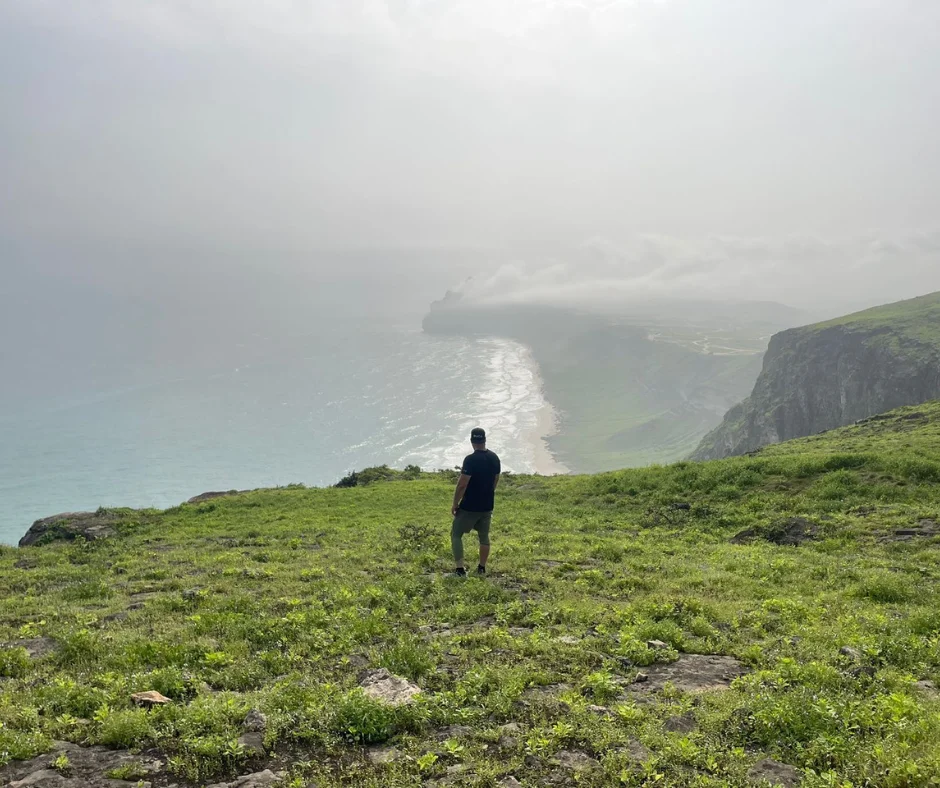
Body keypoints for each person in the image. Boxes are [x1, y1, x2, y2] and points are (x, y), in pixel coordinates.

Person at [451, 427, 501, 577]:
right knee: (484, 537)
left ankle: (460, 570)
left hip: (469, 506)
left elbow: (462, 484)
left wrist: (455, 503)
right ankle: (481, 568)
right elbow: (496, 479)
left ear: (472, 441)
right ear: (484, 439)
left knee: (456, 534)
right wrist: (488, 493)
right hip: (487, 505)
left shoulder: (470, 460)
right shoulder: (494, 458)